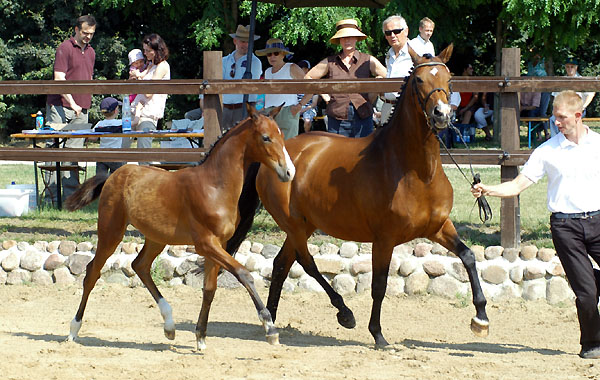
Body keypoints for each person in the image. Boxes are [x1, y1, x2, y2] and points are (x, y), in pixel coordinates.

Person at [471, 90, 600, 359]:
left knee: (589, 286)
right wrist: (489, 190)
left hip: (598, 221)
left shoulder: (598, 144)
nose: (557, 122)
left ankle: (591, 279)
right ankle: (592, 344)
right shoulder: (547, 151)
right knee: (587, 295)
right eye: (555, 118)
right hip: (566, 227)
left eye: (562, 118)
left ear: (578, 116)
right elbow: (519, 185)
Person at [303, 18, 387, 137]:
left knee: (364, 153)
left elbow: (388, 78)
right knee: (338, 155)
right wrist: (325, 96)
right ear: (339, 40)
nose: (347, 40)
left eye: (351, 36)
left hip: (363, 116)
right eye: (343, 37)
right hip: (337, 118)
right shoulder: (329, 62)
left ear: (356, 38)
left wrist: (373, 93)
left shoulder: (368, 60)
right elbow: (309, 77)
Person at [44, 14, 97, 203]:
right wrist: (72, 103)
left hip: (82, 108)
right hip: (60, 105)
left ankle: (71, 200)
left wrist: (83, 105)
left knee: (74, 154)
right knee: (54, 151)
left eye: (91, 33)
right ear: (76, 29)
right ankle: (51, 199)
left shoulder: (91, 52)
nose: (88, 36)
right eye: (85, 32)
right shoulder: (64, 48)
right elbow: (59, 78)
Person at [130, 33, 170, 157]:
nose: (145, 53)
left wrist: (139, 78)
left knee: (143, 152)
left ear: (157, 50)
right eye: (144, 50)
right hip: (135, 110)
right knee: (123, 146)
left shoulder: (162, 66)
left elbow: (149, 92)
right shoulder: (151, 65)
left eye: (148, 50)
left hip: (148, 114)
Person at [256, 38, 305, 139]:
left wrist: (299, 106)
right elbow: (262, 93)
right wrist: (259, 109)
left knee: (289, 147)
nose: (272, 56)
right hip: (269, 113)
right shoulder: (267, 72)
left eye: (276, 53)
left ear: (283, 54)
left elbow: (311, 88)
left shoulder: (292, 67)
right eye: (269, 54)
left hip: (287, 110)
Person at [222, 25, 262, 131]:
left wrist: (227, 85)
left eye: (248, 41)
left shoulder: (255, 62)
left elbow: (249, 84)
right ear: (235, 41)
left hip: (244, 108)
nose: (246, 45)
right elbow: (219, 82)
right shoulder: (224, 60)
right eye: (242, 41)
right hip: (225, 108)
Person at [549, 58, 595, 136]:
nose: (570, 69)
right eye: (568, 66)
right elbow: (555, 97)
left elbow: (591, 93)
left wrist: (583, 107)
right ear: (565, 68)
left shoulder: (582, 81)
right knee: (553, 119)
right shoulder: (561, 81)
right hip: (563, 110)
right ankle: (555, 139)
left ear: (576, 67)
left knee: (568, 119)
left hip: (577, 110)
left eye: (572, 67)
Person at [381, 14, 413, 124]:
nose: (392, 36)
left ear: (406, 31)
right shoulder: (389, 55)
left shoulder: (418, 52)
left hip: (409, 107)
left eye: (397, 31)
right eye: (388, 33)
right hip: (388, 106)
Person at [93, 97, 125, 176]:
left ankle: (99, 188)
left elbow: (93, 138)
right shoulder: (120, 123)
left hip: (102, 155)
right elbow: (134, 123)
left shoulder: (100, 124)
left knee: (100, 178)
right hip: (115, 155)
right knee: (116, 178)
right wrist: (137, 112)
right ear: (116, 111)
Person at [296, 60, 319, 133]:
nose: (300, 70)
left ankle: (307, 136)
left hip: (309, 108)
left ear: (307, 70)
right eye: (299, 68)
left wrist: (303, 109)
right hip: (296, 107)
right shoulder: (294, 84)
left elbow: (314, 104)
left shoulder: (313, 84)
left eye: (302, 68)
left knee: (307, 121)